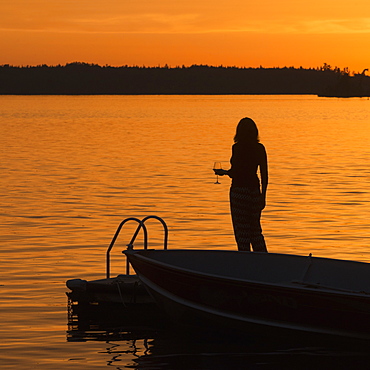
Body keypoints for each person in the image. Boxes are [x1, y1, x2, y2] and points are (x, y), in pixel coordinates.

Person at [215, 117, 268, 252]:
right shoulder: (260, 148)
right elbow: (264, 174)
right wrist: (263, 196)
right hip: (254, 192)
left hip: (239, 192)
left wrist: (225, 172)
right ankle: (265, 261)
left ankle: (245, 261)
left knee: (242, 232)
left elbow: (236, 172)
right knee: (255, 231)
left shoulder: (237, 148)